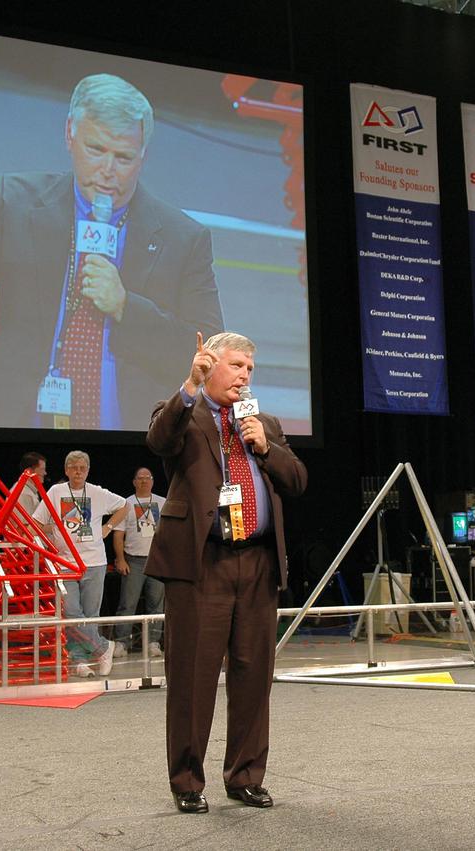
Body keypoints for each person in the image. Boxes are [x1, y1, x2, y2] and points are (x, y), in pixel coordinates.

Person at [0, 72, 224, 429]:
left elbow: (210, 359)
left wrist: (126, 307)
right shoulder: (15, 202)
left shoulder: (184, 238)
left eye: (123, 158)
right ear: (69, 135)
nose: (107, 171)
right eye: (95, 150)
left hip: (131, 441)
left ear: (143, 155)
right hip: (20, 434)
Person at [146, 331, 307, 815]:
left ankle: (245, 776)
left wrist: (266, 448)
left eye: (249, 369)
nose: (244, 375)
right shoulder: (185, 413)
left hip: (258, 563)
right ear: (209, 365)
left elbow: (297, 481)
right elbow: (158, 440)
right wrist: (189, 385)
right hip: (202, 564)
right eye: (236, 365)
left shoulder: (265, 423)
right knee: (193, 677)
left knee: (254, 676)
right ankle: (188, 781)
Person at [32, 450, 127, 676]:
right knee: (72, 612)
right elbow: (36, 520)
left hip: (94, 562)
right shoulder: (56, 492)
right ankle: (103, 647)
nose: (78, 471)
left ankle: (80, 661)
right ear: (66, 470)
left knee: (90, 615)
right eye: (74, 467)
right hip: (65, 562)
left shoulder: (97, 492)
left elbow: (124, 506)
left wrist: (107, 528)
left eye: (82, 468)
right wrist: (53, 533)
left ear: (88, 470)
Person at [111, 466, 166, 656]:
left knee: (156, 605)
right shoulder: (126, 504)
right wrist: (120, 559)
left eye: (147, 478)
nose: (144, 481)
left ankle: (153, 643)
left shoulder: (162, 502)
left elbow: (170, 534)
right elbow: (118, 535)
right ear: (134, 482)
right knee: (128, 603)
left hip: (157, 561)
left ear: (152, 481)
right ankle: (121, 643)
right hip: (133, 561)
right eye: (140, 478)